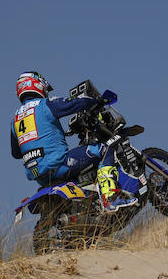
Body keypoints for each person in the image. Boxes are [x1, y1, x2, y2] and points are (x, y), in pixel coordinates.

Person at [10, 71, 138, 212]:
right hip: (59, 165)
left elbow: (16, 153)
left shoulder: (15, 120)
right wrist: (96, 101)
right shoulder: (45, 104)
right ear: (38, 85)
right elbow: (72, 104)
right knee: (104, 149)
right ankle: (111, 197)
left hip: (39, 176)